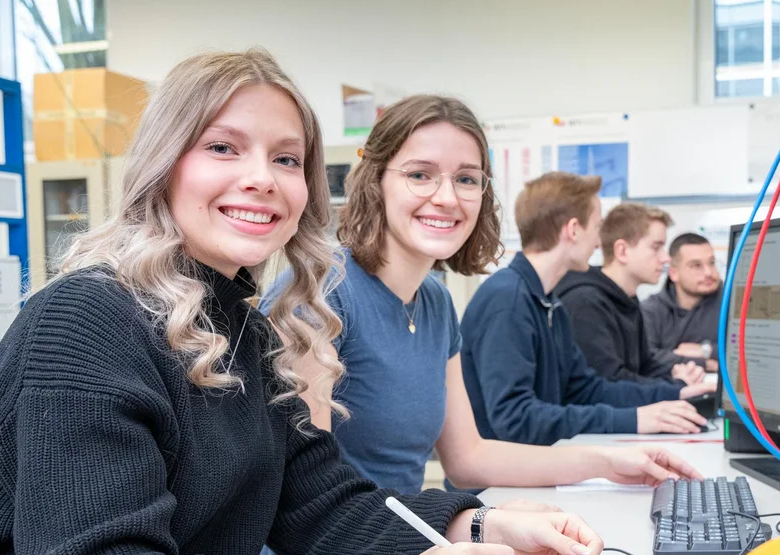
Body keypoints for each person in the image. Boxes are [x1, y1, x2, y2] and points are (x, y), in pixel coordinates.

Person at [0, 50, 606, 555]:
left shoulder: (243, 327)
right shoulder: (86, 318)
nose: (262, 178)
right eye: (223, 147)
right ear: (164, 162)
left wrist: (481, 522)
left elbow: (323, 506)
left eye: (287, 158)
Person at [264, 95, 703, 496]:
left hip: (404, 550)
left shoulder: (434, 302)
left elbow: (469, 459)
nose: (447, 197)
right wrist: (471, 529)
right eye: (420, 175)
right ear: (375, 181)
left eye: (467, 179)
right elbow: (313, 498)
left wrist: (610, 462)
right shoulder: (319, 297)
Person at [459, 172, 718, 447]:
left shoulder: (550, 304)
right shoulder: (508, 301)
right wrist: (635, 419)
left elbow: (587, 389)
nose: (598, 242)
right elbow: (515, 419)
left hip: (537, 463)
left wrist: (674, 394)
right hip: (497, 483)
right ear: (573, 230)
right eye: (596, 227)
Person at [555, 202, 706, 385]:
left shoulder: (628, 299)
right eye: (655, 247)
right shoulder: (586, 304)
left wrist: (675, 372)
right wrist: (676, 386)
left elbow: (644, 366)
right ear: (623, 251)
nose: (666, 258)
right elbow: (609, 383)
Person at [641, 232, 724, 372]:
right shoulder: (651, 309)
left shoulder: (732, 302)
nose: (708, 272)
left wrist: (705, 350)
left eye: (711, 263)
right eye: (696, 265)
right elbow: (648, 358)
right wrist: (706, 364)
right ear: (674, 273)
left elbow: (749, 350)